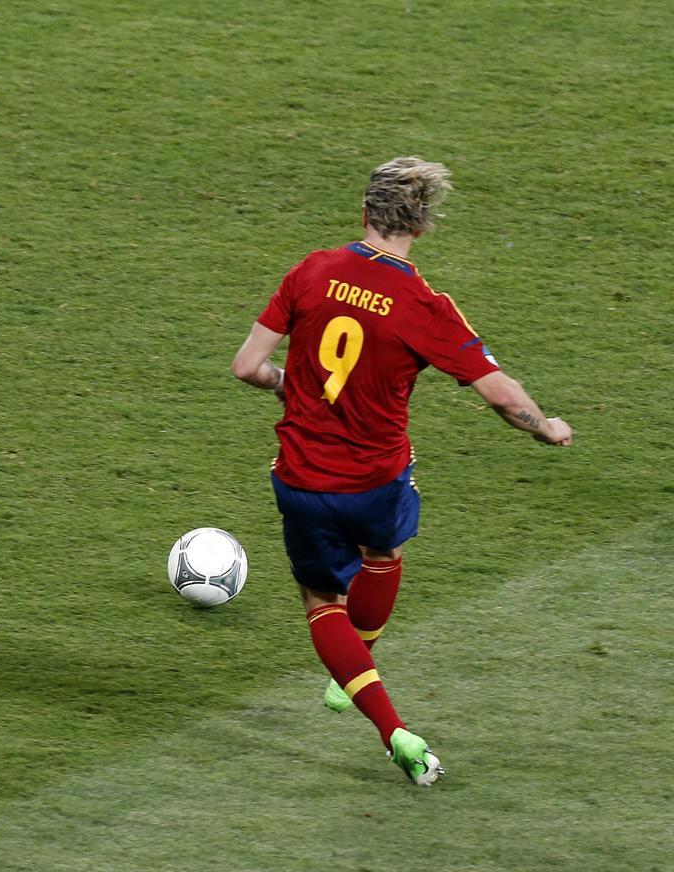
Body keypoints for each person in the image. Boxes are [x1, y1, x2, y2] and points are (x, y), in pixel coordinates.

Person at [231, 157, 571, 786]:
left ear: (364, 212)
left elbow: (248, 366)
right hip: (374, 482)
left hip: (301, 477)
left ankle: (393, 731)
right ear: (423, 228)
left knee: (320, 601)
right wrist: (544, 426)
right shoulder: (423, 305)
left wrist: (290, 389)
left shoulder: (312, 270)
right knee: (382, 550)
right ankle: (363, 659)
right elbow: (501, 395)